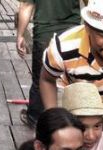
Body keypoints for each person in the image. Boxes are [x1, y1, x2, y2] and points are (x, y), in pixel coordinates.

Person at [15, 0, 81, 128]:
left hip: (45, 33)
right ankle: (78, 117)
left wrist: (20, 35)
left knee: (41, 79)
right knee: (76, 79)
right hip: (73, 33)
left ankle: (36, 119)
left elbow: (26, 6)